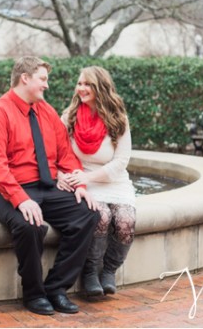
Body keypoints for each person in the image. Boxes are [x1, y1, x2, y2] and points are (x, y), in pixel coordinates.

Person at [0, 56, 100, 316]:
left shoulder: (47, 112)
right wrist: (21, 199)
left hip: (43, 186)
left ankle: (56, 288)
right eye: (43, 79)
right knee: (30, 224)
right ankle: (33, 294)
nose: (47, 85)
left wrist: (77, 181)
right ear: (25, 78)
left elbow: (65, 153)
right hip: (0, 190)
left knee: (87, 214)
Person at [59, 66, 135, 298]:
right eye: (80, 83)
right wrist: (61, 175)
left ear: (100, 87)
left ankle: (109, 271)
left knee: (124, 222)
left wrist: (89, 176)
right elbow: (56, 151)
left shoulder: (117, 118)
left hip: (114, 181)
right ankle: (90, 272)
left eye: (87, 84)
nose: (81, 88)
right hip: (83, 182)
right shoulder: (69, 117)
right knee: (100, 216)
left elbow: (121, 161)